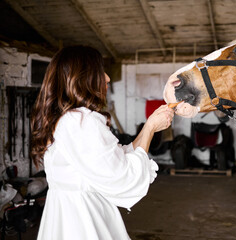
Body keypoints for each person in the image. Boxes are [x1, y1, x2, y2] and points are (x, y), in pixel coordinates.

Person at [30, 46, 174, 240]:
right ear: (82, 77)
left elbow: (113, 158)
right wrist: (149, 130)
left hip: (66, 211)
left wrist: (149, 125)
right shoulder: (81, 121)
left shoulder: (66, 119)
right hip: (83, 218)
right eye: (100, 72)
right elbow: (121, 176)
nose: (107, 78)